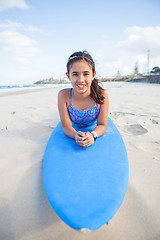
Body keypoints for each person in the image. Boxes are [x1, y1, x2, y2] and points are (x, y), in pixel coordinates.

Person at [58, 51, 109, 148]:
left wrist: (92, 135)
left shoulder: (102, 95)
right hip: (75, 127)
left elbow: (102, 125)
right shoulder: (63, 95)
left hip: (93, 127)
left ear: (93, 75)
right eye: (75, 74)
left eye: (86, 74)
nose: (81, 79)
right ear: (68, 76)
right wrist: (75, 135)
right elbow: (66, 126)